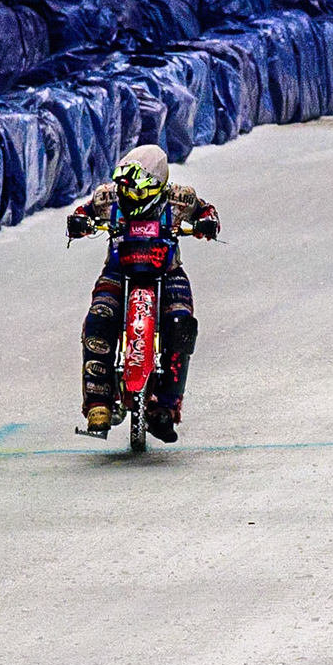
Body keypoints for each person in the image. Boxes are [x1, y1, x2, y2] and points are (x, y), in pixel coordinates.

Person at [65, 145, 221, 443]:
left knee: (182, 324)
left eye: (140, 191)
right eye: (128, 190)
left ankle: (165, 406)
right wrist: (79, 223)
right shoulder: (106, 196)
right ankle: (98, 402)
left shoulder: (180, 198)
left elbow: (207, 212)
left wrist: (206, 224)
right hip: (118, 271)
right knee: (100, 317)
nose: (133, 197)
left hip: (167, 271)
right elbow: (81, 213)